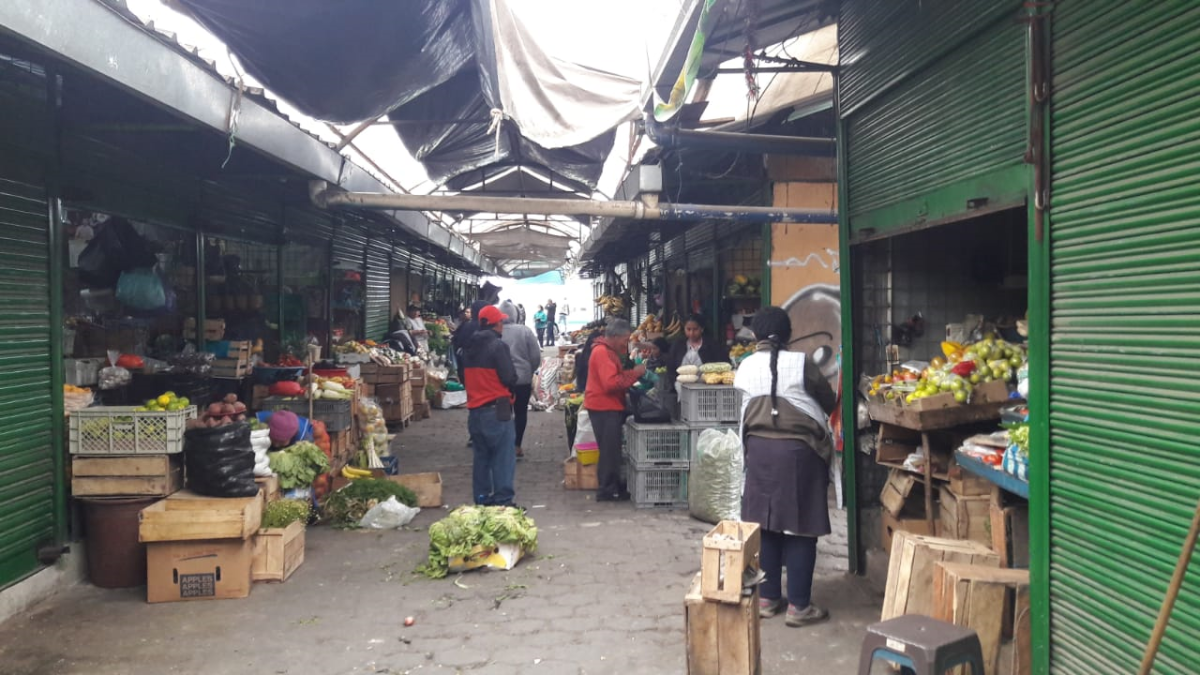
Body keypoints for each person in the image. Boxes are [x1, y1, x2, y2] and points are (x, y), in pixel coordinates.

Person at [734, 306, 837, 627]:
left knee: (766, 524)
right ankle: (799, 607)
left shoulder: (745, 365)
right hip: (800, 453)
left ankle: (767, 599)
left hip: (758, 452)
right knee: (801, 526)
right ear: (789, 334)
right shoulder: (802, 363)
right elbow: (828, 401)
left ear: (755, 335)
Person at [462, 305, 518, 507]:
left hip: (475, 410)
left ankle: (482, 499)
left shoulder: (468, 347)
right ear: (496, 324)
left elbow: (463, 377)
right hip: (497, 409)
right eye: (501, 321)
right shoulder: (498, 346)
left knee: (481, 458)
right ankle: (503, 500)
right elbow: (509, 377)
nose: (503, 325)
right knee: (503, 457)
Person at [584, 319, 645, 502]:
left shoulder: (606, 351)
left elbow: (615, 377)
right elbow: (611, 383)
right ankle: (607, 490)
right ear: (615, 336)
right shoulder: (602, 353)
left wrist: (630, 374)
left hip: (605, 406)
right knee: (609, 451)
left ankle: (612, 486)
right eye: (625, 340)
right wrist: (635, 373)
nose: (625, 344)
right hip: (604, 406)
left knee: (611, 449)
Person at [499, 300, 541, 459]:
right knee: (521, 412)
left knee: (504, 412)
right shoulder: (525, 331)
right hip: (522, 379)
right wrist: (530, 370)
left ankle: (504, 445)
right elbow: (535, 356)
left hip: (502, 380)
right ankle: (517, 445)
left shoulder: (496, 331)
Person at [665, 314, 725, 388]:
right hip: (681, 387)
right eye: (688, 329)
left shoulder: (712, 345)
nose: (691, 333)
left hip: (706, 387)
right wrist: (674, 384)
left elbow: (721, 365)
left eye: (695, 329)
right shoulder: (678, 345)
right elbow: (670, 366)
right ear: (684, 329)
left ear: (702, 329)